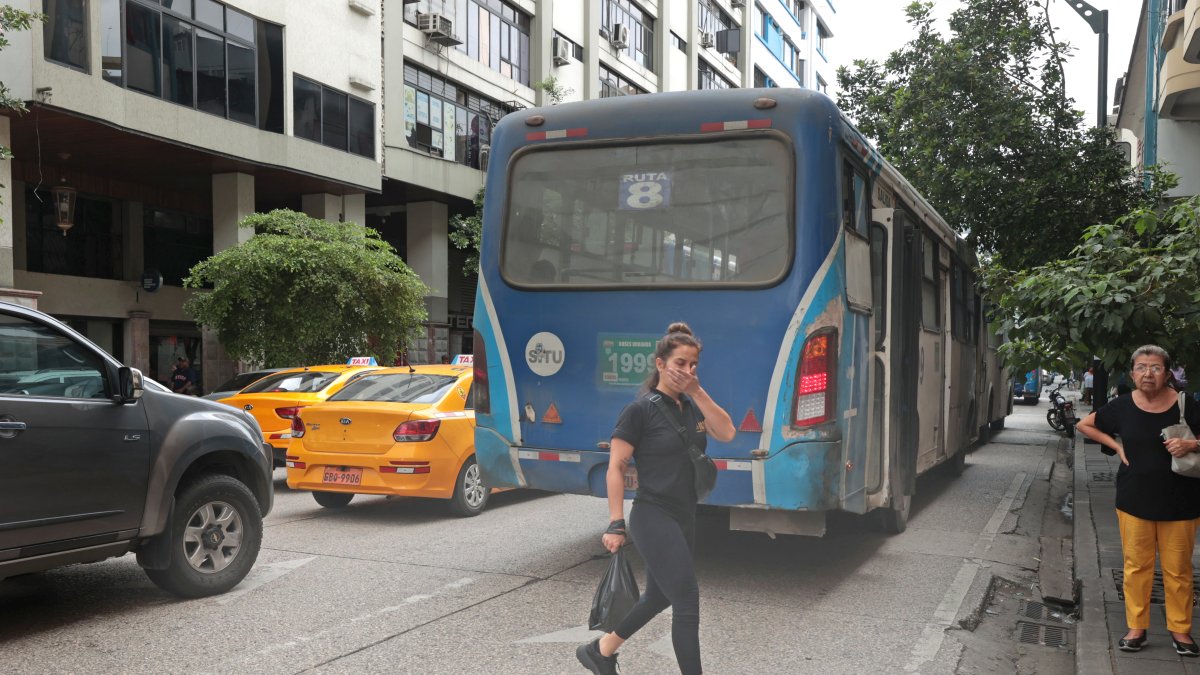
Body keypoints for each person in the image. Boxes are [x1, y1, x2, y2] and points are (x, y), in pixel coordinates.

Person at [576, 322, 735, 675]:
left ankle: (601, 651)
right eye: (680, 363)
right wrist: (615, 522)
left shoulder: (692, 407)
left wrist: (698, 391)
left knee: (659, 596)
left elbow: (727, 432)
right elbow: (616, 466)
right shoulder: (640, 410)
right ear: (660, 364)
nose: (687, 371)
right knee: (686, 599)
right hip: (653, 514)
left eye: (693, 365)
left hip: (685, 514)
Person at [1076, 345, 1200, 657]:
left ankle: (1180, 630)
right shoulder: (1121, 406)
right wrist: (1116, 447)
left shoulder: (1185, 403)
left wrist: (1191, 444)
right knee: (1136, 567)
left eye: (1156, 368)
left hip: (1181, 502)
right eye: (1141, 368)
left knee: (1178, 570)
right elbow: (1085, 424)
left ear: (1167, 374)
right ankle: (1136, 628)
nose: (1148, 374)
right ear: (1132, 374)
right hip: (1134, 499)